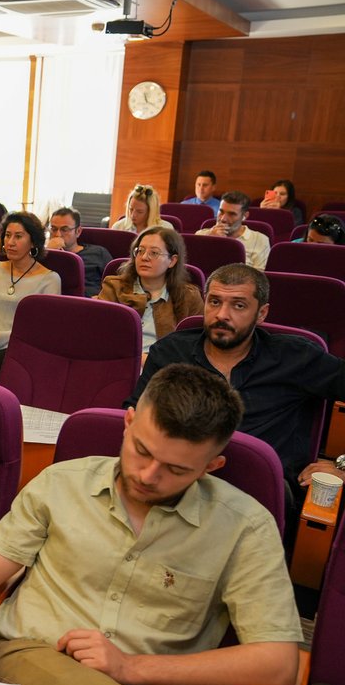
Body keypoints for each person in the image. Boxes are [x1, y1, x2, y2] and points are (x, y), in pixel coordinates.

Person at [0, 363, 302, 685]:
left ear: (211, 466)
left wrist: (131, 667)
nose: (148, 475)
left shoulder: (244, 527)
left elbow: (278, 665)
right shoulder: (61, 483)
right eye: (142, 450)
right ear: (128, 422)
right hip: (30, 659)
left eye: (176, 469)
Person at [128, 264, 345, 500]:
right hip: (174, 483)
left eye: (238, 305)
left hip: (261, 493)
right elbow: (134, 414)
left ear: (261, 313)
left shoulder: (296, 357)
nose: (222, 314)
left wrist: (342, 465)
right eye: (214, 302)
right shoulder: (170, 352)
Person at [0, 212, 61, 379]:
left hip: (20, 347)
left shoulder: (50, 279)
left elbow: (41, 330)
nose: (10, 242)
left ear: (33, 241)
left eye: (18, 236)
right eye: (7, 235)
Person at [96, 227, 203, 353]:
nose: (144, 257)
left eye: (154, 253)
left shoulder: (189, 296)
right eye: (140, 251)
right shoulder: (114, 287)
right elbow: (100, 334)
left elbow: (195, 346)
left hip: (166, 363)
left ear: (172, 261)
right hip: (119, 359)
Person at [45, 206, 112, 297]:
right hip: (54, 299)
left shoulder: (98, 252)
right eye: (54, 229)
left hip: (89, 300)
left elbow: (115, 282)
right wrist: (48, 253)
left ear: (78, 231)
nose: (58, 234)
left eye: (64, 229)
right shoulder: (44, 254)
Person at [194, 190, 270, 269]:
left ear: (245, 216)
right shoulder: (200, 235)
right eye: (221, 212)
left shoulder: (260, 240)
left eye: (232, 214)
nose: (223, 219)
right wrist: (210, 242)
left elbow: (258, 275)